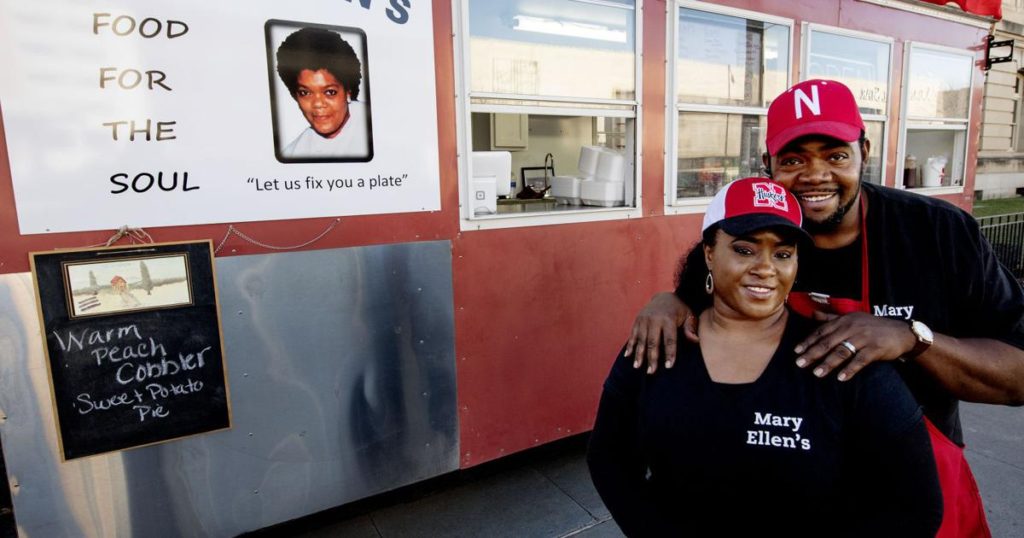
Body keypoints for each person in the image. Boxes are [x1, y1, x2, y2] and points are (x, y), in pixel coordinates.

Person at [625, 78, 1024, 535]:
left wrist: (911, 339)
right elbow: (702, 302)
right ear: (767, 164)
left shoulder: (939, 233)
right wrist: (669, 301)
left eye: (835, 155)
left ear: (864, 153)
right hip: (794, 487)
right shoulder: (754, 234)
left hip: (914, 483)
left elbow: (1018, 375)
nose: (815, 175)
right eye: (793, 160)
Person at [588, 176, 943, 536]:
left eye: (783, 253)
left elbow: (916, 505)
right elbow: (609, 458)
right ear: (710, 253)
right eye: (745, 250)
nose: (766, 267)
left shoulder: (839, 358)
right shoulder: (660, 342)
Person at [275, 27, 371, 160]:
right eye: (305, 93)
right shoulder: (292, 153)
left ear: (348, 91)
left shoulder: (376, 121)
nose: (318, 104)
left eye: (330, 92)